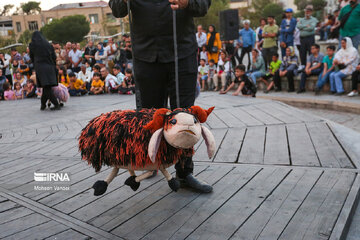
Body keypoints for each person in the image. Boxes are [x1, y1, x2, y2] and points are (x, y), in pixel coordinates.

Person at [109, 0, 213, 193]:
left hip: (181, 53)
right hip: (146, 56)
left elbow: (203, 5)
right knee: (149, 116)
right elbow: (117, 9)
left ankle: (184, 173)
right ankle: (152, 163)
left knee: (185, 116)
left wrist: (188, 3)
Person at [29, 31, 60, 110]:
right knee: (47, 87)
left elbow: (31, 57)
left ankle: (56, 104)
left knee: (46, 86)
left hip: (40, 67)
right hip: (50, 67)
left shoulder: (32, 45)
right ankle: (43, 105)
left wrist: (35, 63)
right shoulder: (48, 45)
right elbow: (54, 56)